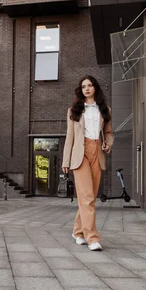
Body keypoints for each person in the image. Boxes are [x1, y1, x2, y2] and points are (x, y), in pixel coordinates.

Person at [62, 75, 114, 251]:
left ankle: (77, 232)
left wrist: (108, 143)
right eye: (83, 86)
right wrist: (66, 160)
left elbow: (109, 132)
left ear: (95, 88)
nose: (87, 88)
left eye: (90, 85)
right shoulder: (73, 111)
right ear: (81, 90)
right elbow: (70, 137)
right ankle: (92, 238)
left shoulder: (105, 110)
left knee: (90, 197)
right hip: (80, 153)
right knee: (87, 198)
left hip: (97, 152)